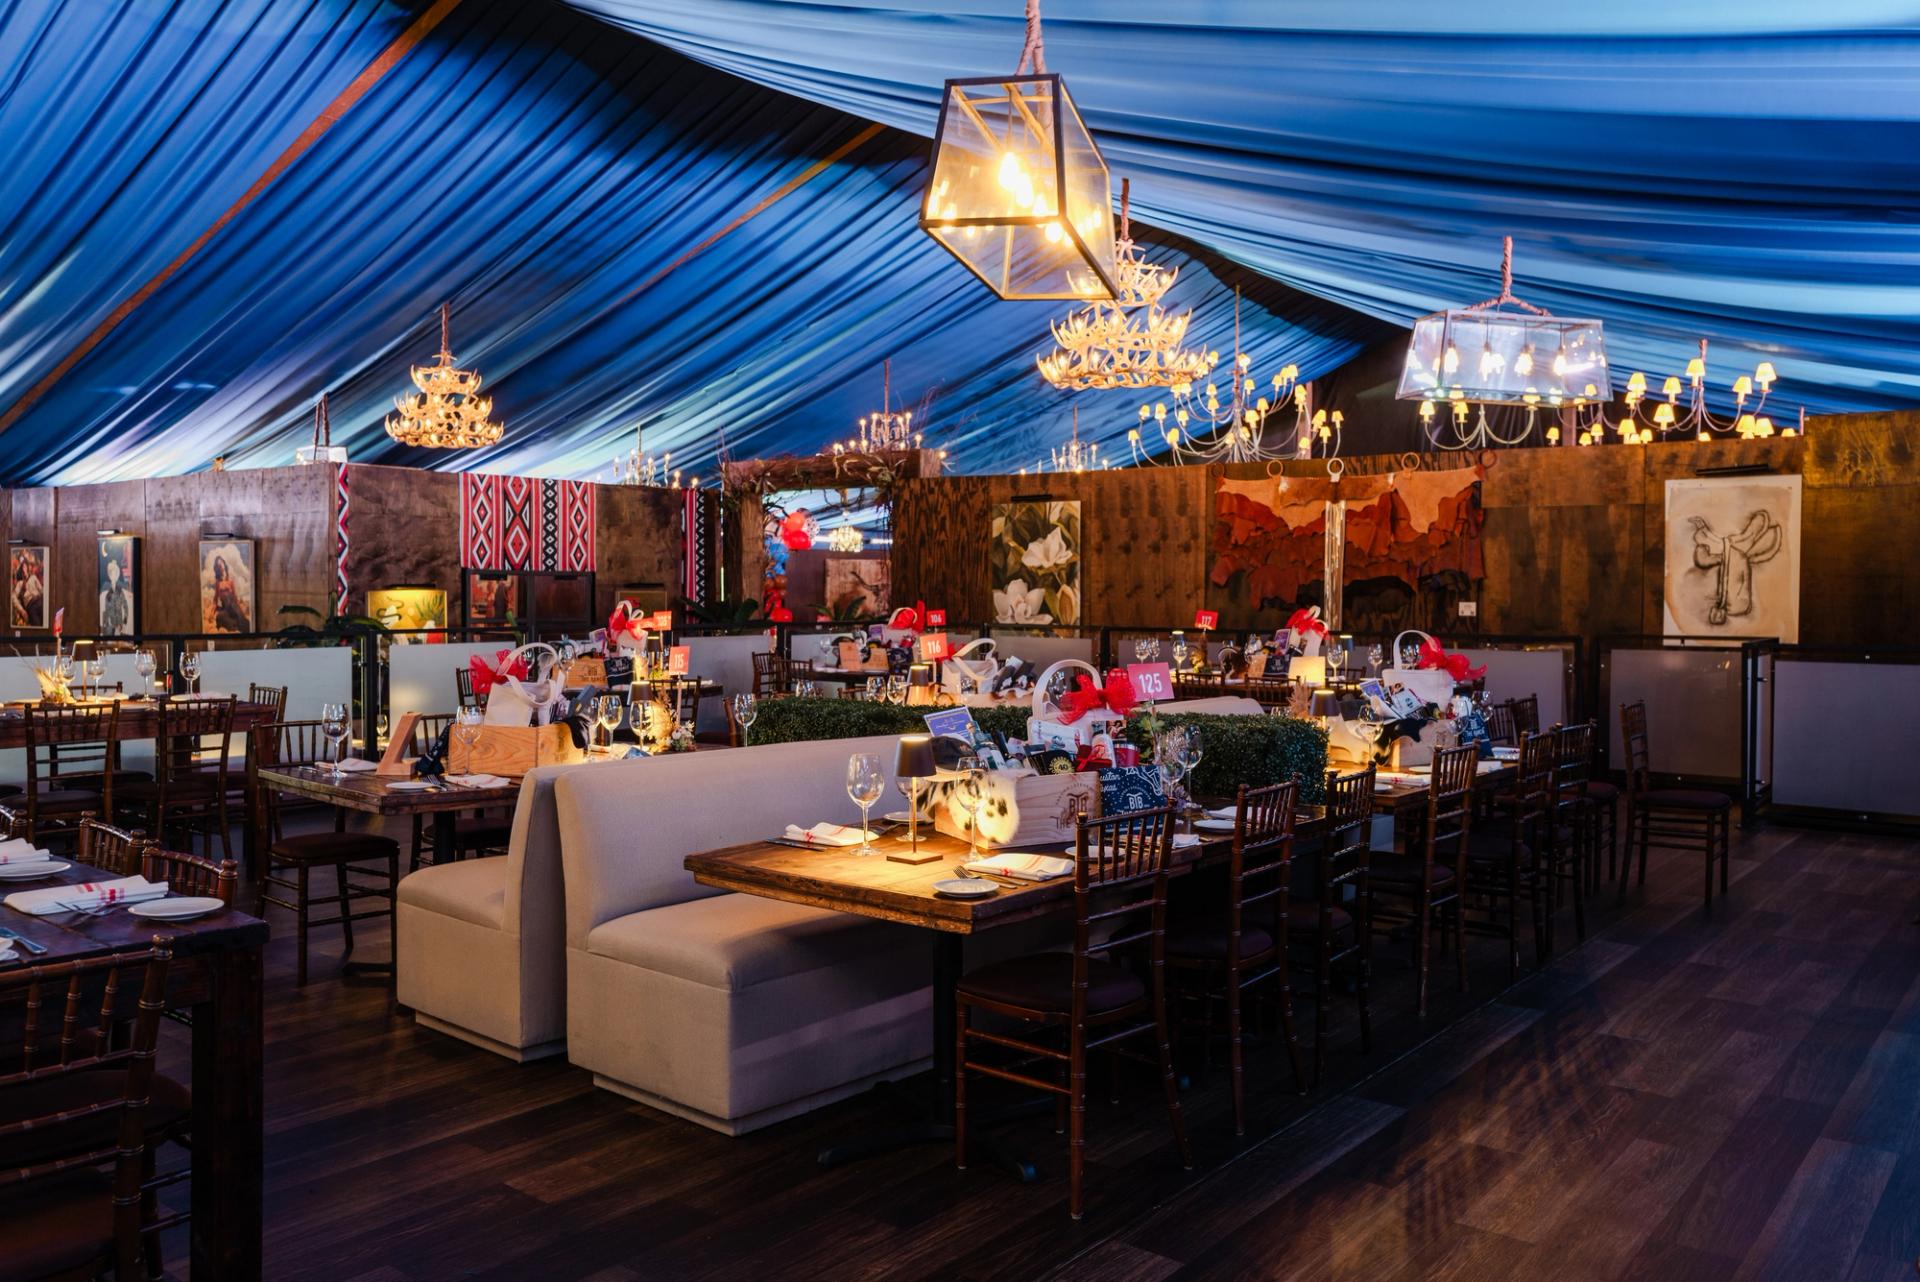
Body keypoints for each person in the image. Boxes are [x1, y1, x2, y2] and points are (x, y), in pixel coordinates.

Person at [210, 554, 252, 633]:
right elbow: (215, 600)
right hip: (225, 608)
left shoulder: (230, 581)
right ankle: (235, 625)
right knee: (220, 617)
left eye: (221, 563)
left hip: (233, 606)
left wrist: (240, 610)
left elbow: (235, 597)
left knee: (229, 597)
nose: (220, 566)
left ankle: (240, 621)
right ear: (217, 568)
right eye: (218, 565)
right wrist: (212, 613)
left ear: (224, 563)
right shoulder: (218, 583)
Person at [99, 549, 133, 636]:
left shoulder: (121, 590)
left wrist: (124, 621)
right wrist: (104, 624)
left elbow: (125, 606)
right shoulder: (106, 588)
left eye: (114, 573)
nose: (112, 575)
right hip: (109, 623)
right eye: (111, 573)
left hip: (119, 622)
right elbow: (105, 609)